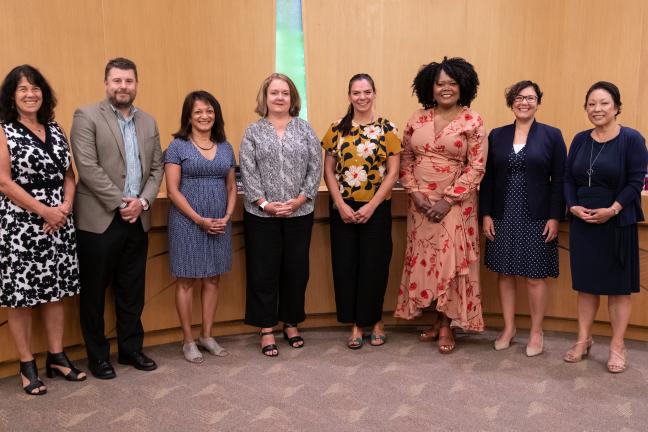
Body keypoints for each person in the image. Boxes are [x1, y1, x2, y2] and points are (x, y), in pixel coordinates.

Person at [70, 58, 164, 379]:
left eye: (128, 81)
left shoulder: (149, 122)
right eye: (116, 80)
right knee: (94, 293)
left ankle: (130, 349)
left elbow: (156, 169)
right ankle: (98, 356)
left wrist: (143, 202)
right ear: (106, 83)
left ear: (136, 84)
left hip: (138, 219)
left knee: (131, 290)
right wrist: (121, 202)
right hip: (99, 220)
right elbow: (87, 166)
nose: (123, 86)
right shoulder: (86, 117)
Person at [0, 65, 85, 395]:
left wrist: (63, 209)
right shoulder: (4, 130)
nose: (30, 93)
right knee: (20, 296)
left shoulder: (56, 127)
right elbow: (4, 182)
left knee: (55, 292)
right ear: (11, 95)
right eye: (22, 89)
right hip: (20, 223)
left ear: (43, 93)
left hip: (59, 222)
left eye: (35, 87)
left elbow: (69, 175)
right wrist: (44, 211)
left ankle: (57, 356)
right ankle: (26, 364)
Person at [394, 57, 487, 353]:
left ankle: (448, 325)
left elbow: (477, 167)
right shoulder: (417, 118)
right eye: (440, 83)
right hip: (420, 204)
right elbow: (405, 159)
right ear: (430, 88)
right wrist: (416, 194)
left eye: (452, 83)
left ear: (463, 86)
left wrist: (448, 200)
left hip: (456, 205)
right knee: (428, 262)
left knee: (450, 261)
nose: (446, 88)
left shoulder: (473, 120)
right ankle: (436, 319)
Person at [563, 81, 647, 373]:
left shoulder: (632, 139)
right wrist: (573, 206)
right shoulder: (579, 139)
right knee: (586, 288)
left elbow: (636, 181)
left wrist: (612, 209)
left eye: (604, 103)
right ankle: (583, 340)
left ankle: (617, 346)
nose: (597, 109)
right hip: (583, 221)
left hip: (617, 221)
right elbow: (567, 179)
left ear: (617, 107)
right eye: (591, 104)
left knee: (618, 289)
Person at [480, 80, 567, 357]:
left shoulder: (552, 136)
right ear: (511, 102)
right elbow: (489, 179)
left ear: (538, 102)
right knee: (505, 274)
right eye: (518, 97)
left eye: (530, 97)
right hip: (503, 213)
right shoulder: (497, 135)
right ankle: (508, 328)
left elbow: (559, 181)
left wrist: (555, 217)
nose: (524, 102)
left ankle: (536, 331)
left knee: (534, 277)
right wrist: (486, 214)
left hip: (537, 216)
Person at [239, 73, 321, 357]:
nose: (279, 98)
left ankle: (291, 323)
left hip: (300, 212)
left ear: (292, 98)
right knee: (264, 272)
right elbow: (247, 171)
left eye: (285, 93)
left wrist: (299, 200)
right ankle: (265, 328)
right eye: (274, 93)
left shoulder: (305, 129)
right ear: (265, 97)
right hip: (261, 215)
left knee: (296, 270)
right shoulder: (253, 131)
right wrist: (265, 204)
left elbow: (316, 167)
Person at [321, 73, 400, 349]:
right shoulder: (336, 129)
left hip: (377, 207)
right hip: (343, 209)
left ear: (374, 93)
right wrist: (340, 204)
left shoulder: (387, 128)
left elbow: (393, 173)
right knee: (346, 266)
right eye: (356, 93)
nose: (362, 97)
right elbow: (328, 171)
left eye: (367, 92)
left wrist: (372, 205)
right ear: (349, 96)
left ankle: (376, 320)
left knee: (374, 266)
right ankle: (356, 324)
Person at [164, 90, 236, 363]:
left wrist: (227, 216)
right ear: (189, 116)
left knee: (213, 278)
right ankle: (188, 340)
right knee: (186, 280)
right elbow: (172, 191)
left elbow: (231, 186)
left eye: (209, 111)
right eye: (198, 112)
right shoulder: (177, 147)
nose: (204, 116)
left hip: (219, 223)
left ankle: (207, 335)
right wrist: (198, 219)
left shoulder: (226, 146)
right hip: (187, 223)